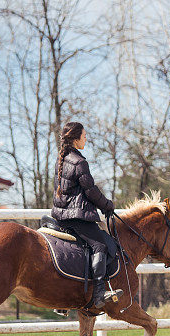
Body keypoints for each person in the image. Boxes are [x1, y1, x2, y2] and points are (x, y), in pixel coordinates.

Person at [51, 121, 122, 308]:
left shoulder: (61, 160)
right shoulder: (80, 162)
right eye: (84, 136)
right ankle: (99, 293)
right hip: (77, 217)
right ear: (75, 139)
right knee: (100, 246)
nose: (86, 139)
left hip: (61, 216)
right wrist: (107, 205)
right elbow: (90, 191)